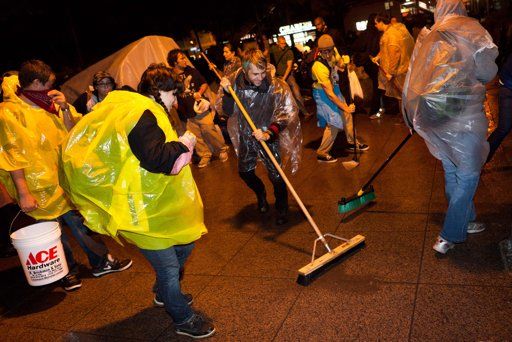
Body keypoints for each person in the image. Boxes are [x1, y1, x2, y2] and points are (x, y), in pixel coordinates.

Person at [60, 63, 215, 338]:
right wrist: (185, 143)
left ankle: (163, 293)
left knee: (185, 244)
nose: (175, 101)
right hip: (141, 208)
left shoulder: (137, 107)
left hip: (152, 201)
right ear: (161, 90)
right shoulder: (142, 114)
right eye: (173, 95)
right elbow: (156, 158)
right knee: (168, 267)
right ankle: (182, 318)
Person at [0, 60, 132, 290]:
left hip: (63, 179)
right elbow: (12, 156)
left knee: (81, 223)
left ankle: (101, 261)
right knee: (52, 232)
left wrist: (64, 109)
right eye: (49, 83)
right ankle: (66, 271)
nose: (53, 87)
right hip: (36, 187)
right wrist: (23, 193)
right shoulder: (10, 114)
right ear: (35, 82)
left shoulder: (50, 104)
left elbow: (74, 133)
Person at [402, 0, 499, 254]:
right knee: (468, 173)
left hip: (436, 117)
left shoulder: (430, 36)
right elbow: (488, 73)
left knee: (451, 168)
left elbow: (414, 78)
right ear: (461, 8)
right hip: (464, 117)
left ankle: (465, 219)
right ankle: (449, 234)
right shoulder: (473, 31)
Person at [219, 49, 302, 225]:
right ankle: (260, 193)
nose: (261, 77)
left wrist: (268, 133)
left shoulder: (275, 86)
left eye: (263, 72)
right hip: (247, 135)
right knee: (245, 172)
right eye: (256, 73)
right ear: (245, 70)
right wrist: (226, 92)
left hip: (268, 135)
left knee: (277, 175)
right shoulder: (235, 84)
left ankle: (282, 208)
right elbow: (226, 111)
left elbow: (285, 113)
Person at [167, 49, 229, 168]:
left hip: (201, 108)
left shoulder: (191, 71)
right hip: (186, 113)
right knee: (196, 137)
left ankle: (221, 150)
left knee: (209, 131)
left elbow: (204, 83)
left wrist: (200, 93)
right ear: (175, 62)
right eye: (182, 58)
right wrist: (176, 105)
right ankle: (205, 155)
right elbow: (171, 93)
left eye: (184, 57)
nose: (185, 60)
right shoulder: (171, 76)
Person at [312, 34, 368, 163]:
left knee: (347, 116)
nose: (327, 54)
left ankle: (352, 141)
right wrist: (346, 107)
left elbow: (342, 67)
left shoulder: (334, 52)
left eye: (329, 50)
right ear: (319, 51)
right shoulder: (318, 66)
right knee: (334, 122)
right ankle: (322, 152)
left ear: (333, 48)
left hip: (334, 86)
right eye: (323, 51)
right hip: (322, 93)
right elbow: (330, 95)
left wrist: (346, 64)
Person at [371, 13, 414, 119]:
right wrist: (378, 56)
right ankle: (405, 117)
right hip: (396, 70)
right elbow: (386, 49)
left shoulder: (391, 34)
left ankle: (408, 119)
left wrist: (391, 72)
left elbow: (395, 53)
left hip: (398, 71)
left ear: (381, 22)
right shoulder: (387, 33)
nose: (375, 26)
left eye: (376, 23)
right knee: (400, 95)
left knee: (402, 95)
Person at [269, 36, 311, 118]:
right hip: (278, 76)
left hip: (288, 76)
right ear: (277, 43)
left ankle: (305, 113)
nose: (284, 45)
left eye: (284, 43)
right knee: (284, 95)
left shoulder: (289, 52)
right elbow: (266, 54)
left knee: (296, 93)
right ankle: (288, 114)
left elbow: (289, 67)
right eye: (282, 43)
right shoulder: (274, 49)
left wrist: (284, 78)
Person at [352, 13, 384, 118]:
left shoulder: (365, 33)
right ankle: (376, 110)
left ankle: (379, 108)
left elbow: (356, 46)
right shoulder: (378, 34)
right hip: (376, 63)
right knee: (378, 86)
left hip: (367, 64)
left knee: (378, 86)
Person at [487, 52, 512, 162]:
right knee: (504, 128)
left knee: (504, 128)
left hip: (507, 83)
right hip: (508, 86)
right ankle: (480, 160)